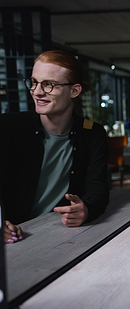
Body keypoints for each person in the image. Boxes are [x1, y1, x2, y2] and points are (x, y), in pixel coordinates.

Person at [1, 50, 110, 244]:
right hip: (14, 240)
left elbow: (98, 187)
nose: (37, 91)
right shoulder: (8, 127)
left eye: (48, 84)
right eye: (34, 82)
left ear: (75, 91)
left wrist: (86, 209)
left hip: (59, 236)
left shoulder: (92, 133)